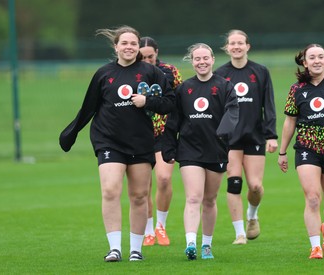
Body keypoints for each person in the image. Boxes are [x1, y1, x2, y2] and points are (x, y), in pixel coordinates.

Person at [58, 25, 175, 262]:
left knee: (139, 195)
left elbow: (170, 102)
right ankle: (114, 249)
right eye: (124, 43)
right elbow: (89, 107)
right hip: (108, 140)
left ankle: (135, 249)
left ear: (138, 47)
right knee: (110, 190)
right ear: (116, 46)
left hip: (141, 142)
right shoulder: (103, 74)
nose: (129, 47)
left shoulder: (151, 73)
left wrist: (148, 101)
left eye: (133, 44)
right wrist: (70, 133)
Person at [162, 43, 239, 260]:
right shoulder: (184, 89)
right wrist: (168, 147)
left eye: (205, 58)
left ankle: (207, 244)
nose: (202, 62)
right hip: (189, 150)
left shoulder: (225, 86)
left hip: (216, 150)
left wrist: (222, 133)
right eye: (197, 59)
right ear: (192, 61)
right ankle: (191, 243)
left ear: (213, 59)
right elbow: (173, 121)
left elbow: (233, 112)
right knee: (193, 197)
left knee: (210, 199)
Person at [277, 44, 324, 259]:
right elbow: (289, 122)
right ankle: (315, 247)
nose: (317, 60)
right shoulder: (296, 89)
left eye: (321, 56)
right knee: (312, 198)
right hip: (306, 147)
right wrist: (282, 152)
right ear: (305, 62)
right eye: (312, 57)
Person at [214, 30, 278, 245]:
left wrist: (271, 136)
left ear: (248, 46)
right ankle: (239, 233)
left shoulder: (260, 71)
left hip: (254, 137)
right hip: (229, 139)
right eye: (232, 43)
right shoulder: (220, 74)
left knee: (255, 186)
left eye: (240, 43)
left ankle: (252, 215)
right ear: (227, 48)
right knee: (234, 182)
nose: (236, 47)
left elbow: (268, 104)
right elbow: (216, 108)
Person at [139, 36, 183, 246]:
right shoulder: (132, 72)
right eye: (143, 57)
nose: (147, 60)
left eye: (151, 56)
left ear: (157, 53)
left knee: (164, 179)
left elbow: (181, 99)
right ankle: (148, 231)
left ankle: (161, 226)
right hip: (139, 133)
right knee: (144, 186)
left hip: (165, 130)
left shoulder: (169, 71)